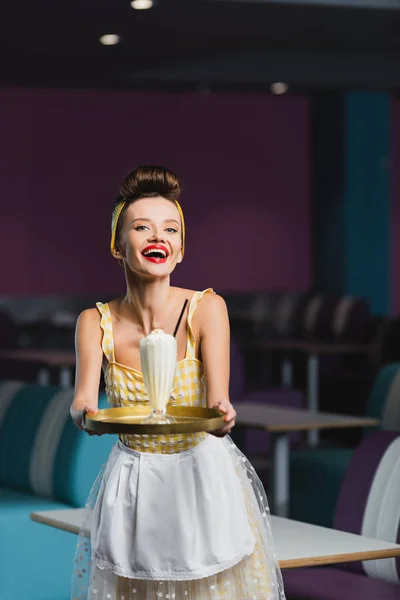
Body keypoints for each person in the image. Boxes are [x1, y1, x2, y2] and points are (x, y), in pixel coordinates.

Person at [70, 165, 286, 600]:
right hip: (134, 479)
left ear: (181, 249)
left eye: (170, 229)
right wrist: (88, 416)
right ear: (117, 246)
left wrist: (224, 415)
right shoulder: (94, 321)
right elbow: (81, 404)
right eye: (142, 227)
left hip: (201, 477)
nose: (158, 238)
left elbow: (219, 402)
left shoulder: (208, 309)